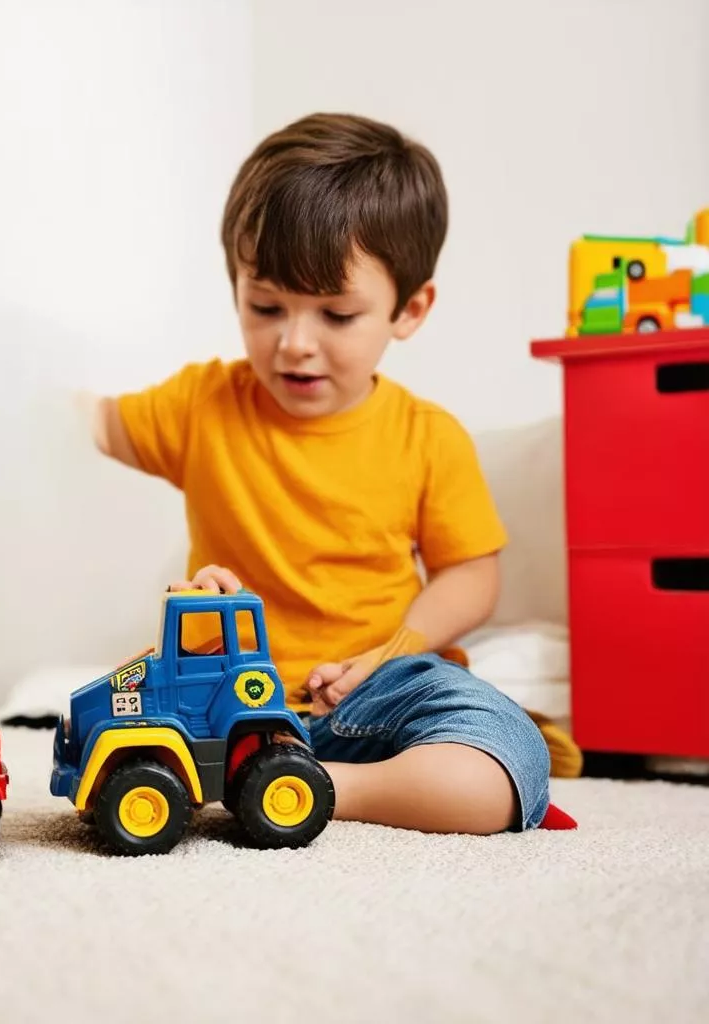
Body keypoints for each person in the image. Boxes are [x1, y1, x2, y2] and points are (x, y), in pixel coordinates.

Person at [82, 111, 568, 834]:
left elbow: (472, 575)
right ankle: (257, 775)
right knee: (109, 723)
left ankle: (318, 785)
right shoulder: (200, 404)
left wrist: (393, 649)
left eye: (337, 314)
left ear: (410, 309)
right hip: (222, 700)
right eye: (266, 306)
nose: (294, 344)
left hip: (377, 692)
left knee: (508, 765)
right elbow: (75, 421)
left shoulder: (426, 436)